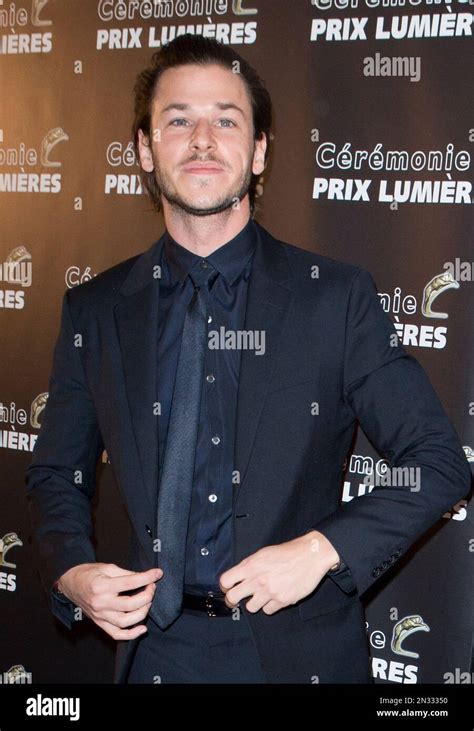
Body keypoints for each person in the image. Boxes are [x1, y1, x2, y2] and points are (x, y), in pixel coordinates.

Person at [25, 33, 470, 685]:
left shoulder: (334, 299)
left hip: (298, 659)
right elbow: (56, 473)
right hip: (153, 656)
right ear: (145, 151)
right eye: (178, 119)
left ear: (259, 150)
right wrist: (72, 569)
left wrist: (322, 549)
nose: (202, 138)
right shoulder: (97, 309)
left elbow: (437, 464)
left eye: (225, 120)